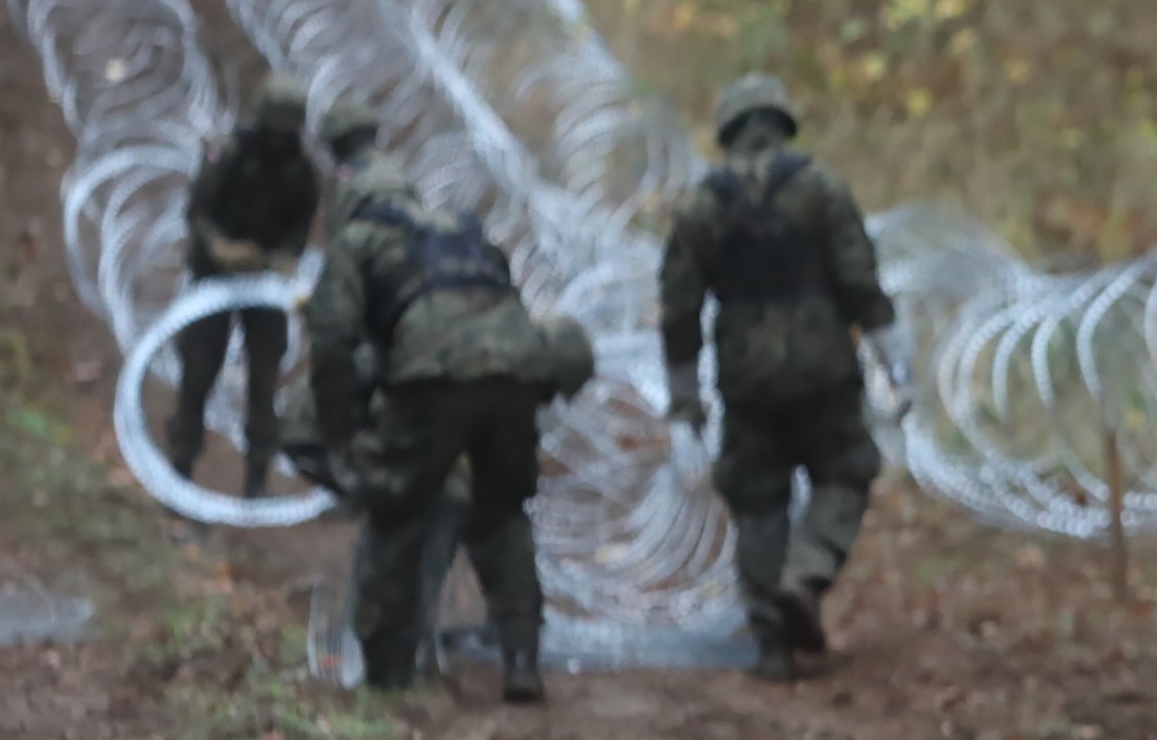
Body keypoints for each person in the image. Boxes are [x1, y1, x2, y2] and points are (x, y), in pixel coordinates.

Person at [304, 136, 594, 700]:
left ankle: (386, 675)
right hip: (516, 369)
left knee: (399, 508)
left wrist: (341, 437)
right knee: (502, 511)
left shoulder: (358, 240)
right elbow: (504, 299)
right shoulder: (462, 229)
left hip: (434, 372)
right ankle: (521, 661)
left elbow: (332, 341)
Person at [660, 75, 906, 683]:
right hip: (823, 363)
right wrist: (893, 358)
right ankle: (808, 573)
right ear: (781, 122)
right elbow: (859, 279)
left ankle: (772, 643)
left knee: (758, 498)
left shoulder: (700, 207)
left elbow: (678, 310)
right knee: (846, 470)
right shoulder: (820, 188)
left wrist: (686, 401)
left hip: (745, 376)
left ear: (730, 132)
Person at [162, 73, 319, 495]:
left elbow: (301, 228)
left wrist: (284, 258)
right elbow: (197, 212)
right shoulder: (229, 154)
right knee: (199, 372)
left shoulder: (301, 171)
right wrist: (220, 249)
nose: (283, 140)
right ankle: (179, 468)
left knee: (264, 380)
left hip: (264, 284)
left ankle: (257, 478)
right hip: (215, 278)